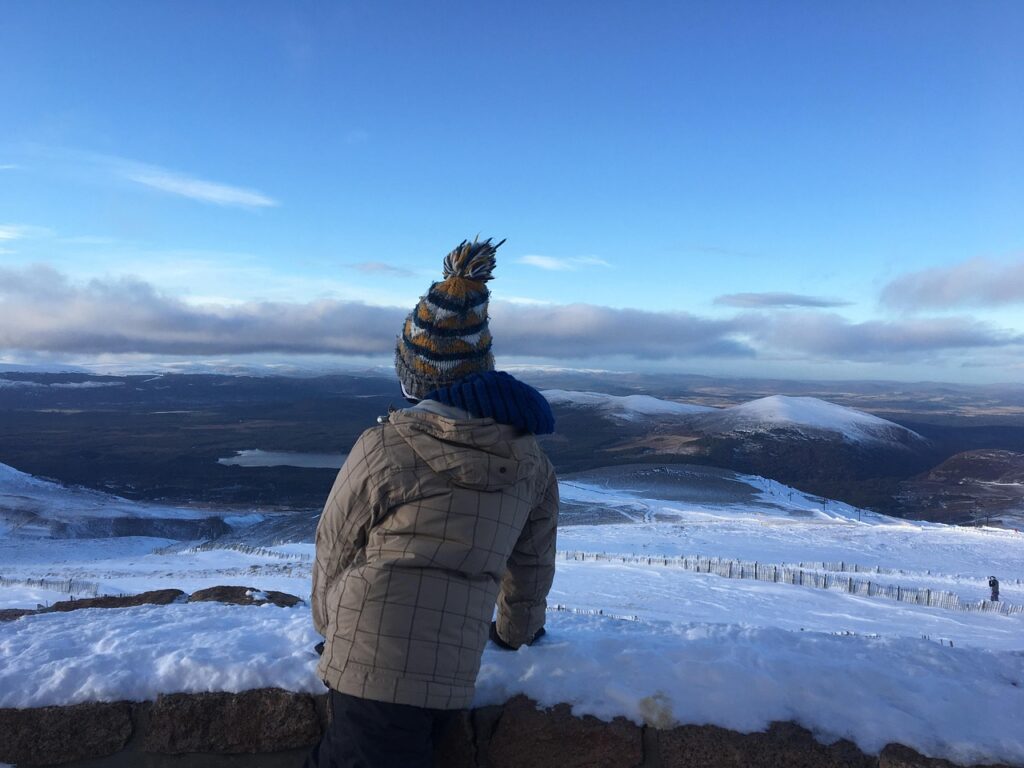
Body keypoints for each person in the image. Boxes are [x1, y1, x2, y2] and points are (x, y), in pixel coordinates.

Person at [307, 237, 558, 767]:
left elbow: (335, 543)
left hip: (368, 668)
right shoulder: (531, 462)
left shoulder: (384, 446)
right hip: (452, 676)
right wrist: (514, 635)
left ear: (415, 378)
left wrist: (330, 629)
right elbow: (531, 564)